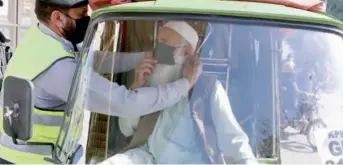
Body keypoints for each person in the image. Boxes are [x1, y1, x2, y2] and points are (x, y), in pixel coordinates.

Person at [0, 0, 200, 164]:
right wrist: (186, 84)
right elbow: (125, 102)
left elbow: (91, 61)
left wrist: (144, 56)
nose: (87, 19)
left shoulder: (41, 41)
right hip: (31, 159)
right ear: (58, 18)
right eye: (81, 15)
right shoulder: (57, 68)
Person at [100, 21, 257, 164]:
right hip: (148, 158)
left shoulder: (208, 89)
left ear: (186, 52)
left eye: (164, 43)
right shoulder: (152, 81)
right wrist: (136, 88)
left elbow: (233, 141)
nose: (157, 50)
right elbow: (127, 129)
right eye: (157, 42)